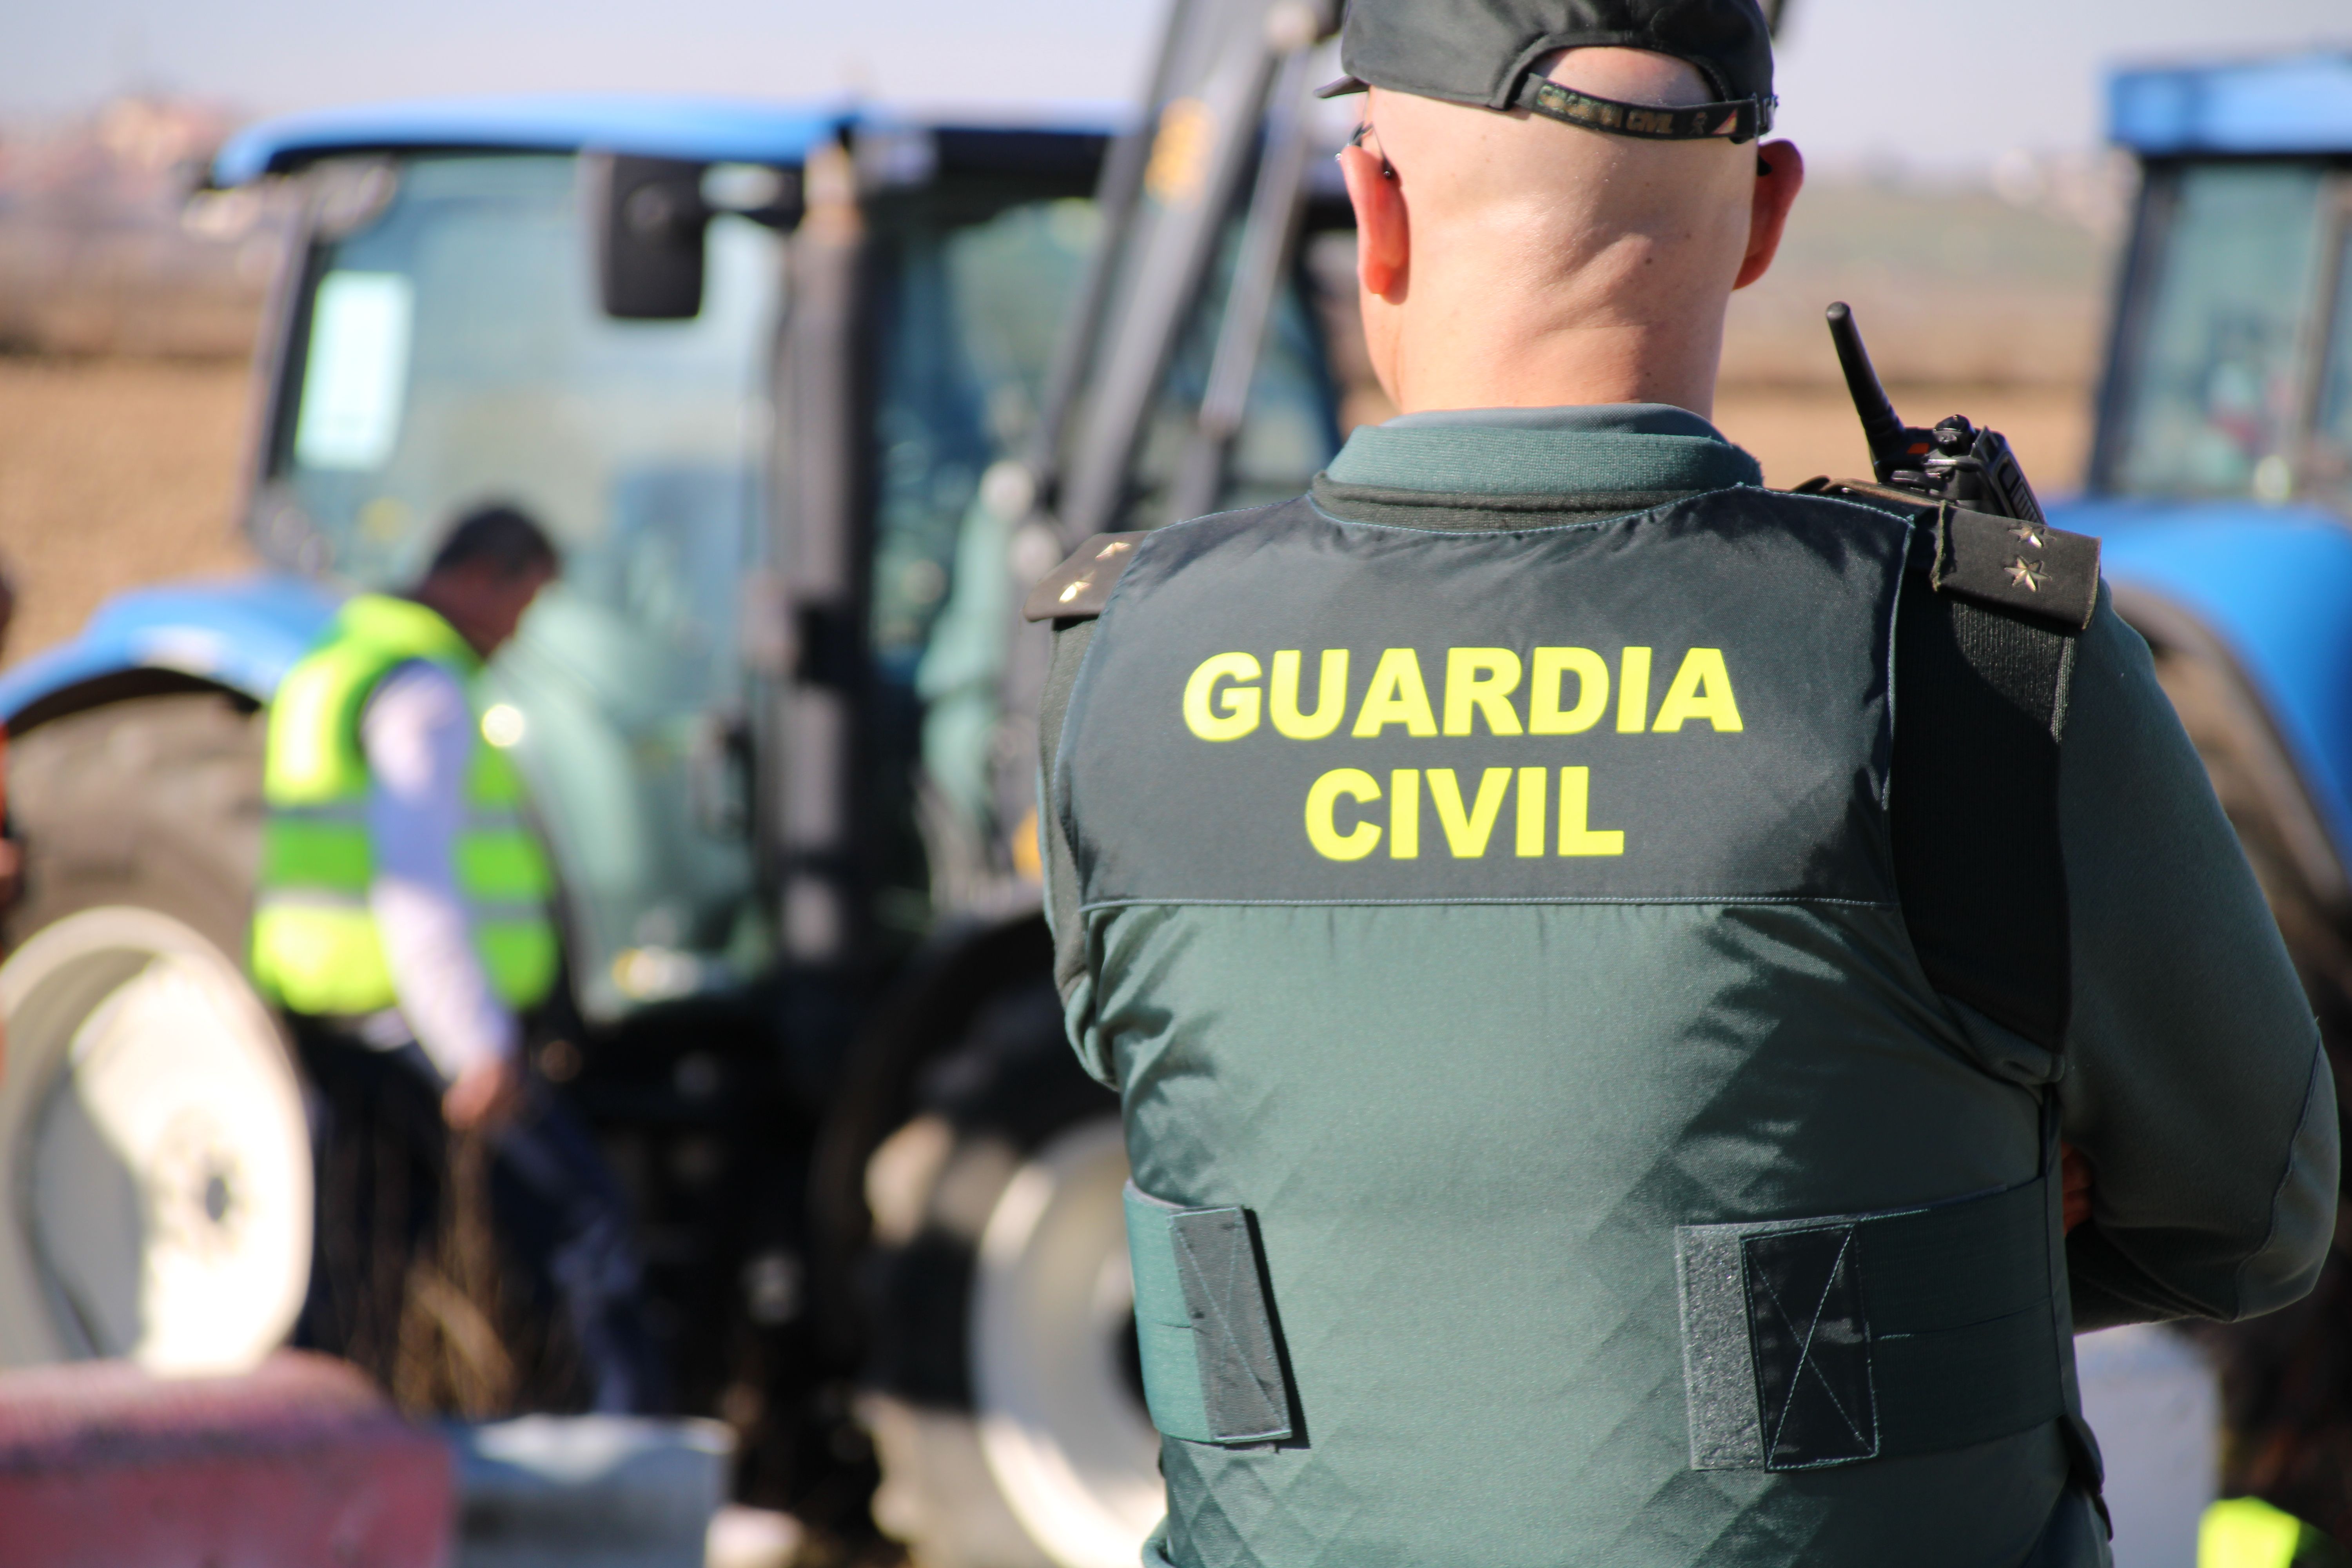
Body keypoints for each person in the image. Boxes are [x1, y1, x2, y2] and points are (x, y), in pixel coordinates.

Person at [1027, 3, 2338, 1564]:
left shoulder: (1117, 665)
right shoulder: (1976, 658)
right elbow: (2256, 1209)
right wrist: (1939, 1196)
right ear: (1767, 212)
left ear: (1374, 208)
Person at [253, 504, 659, 1414]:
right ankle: (628, 1460)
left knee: (357, 1261)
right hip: (420, 1025)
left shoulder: (341, 657)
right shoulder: (422, 690)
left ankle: (325, 1461)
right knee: (582, 1227)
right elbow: (418, 883)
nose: (521, 629)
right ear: (480, 578)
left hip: (345, 1021)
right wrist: (475, 1043)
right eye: (526, 599)